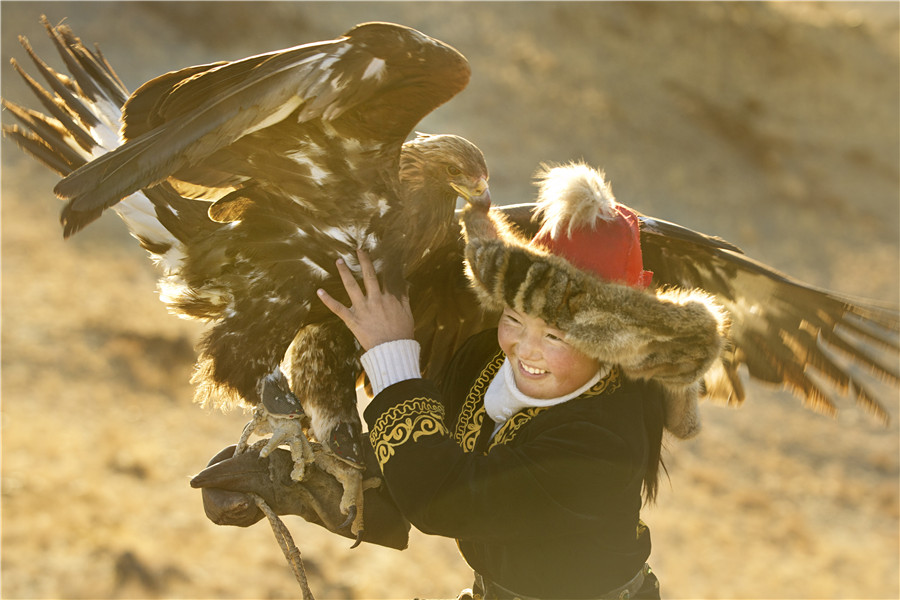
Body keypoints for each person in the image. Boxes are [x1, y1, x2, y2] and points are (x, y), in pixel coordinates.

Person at [192, 163, 729, 599]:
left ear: (610, 343)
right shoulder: (485, 362)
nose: (526, 350)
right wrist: (287, 484)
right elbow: (417, 469)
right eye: (515, 318)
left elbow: (443, 500)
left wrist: (391, 353)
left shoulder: (601, 439)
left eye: (557, 337)